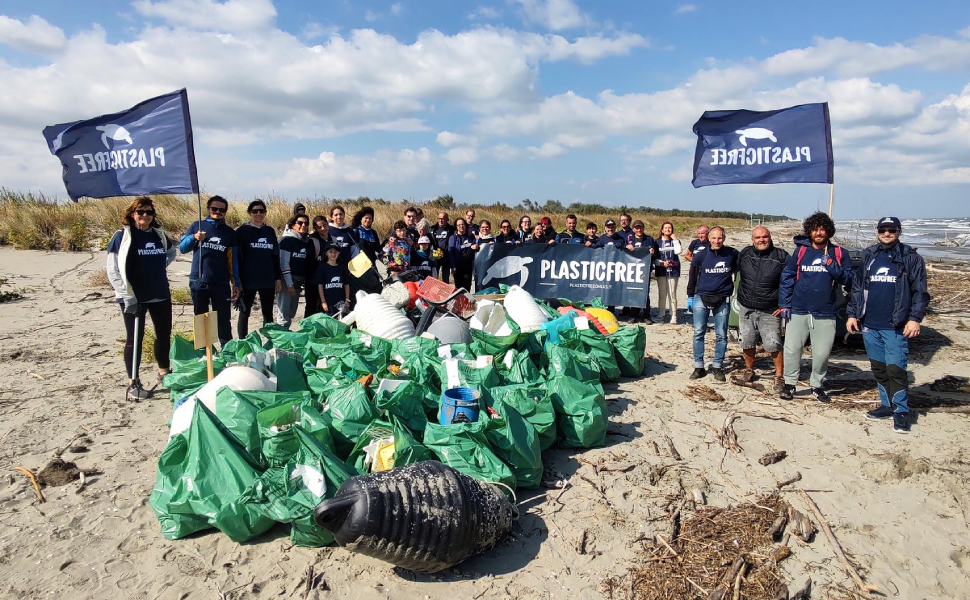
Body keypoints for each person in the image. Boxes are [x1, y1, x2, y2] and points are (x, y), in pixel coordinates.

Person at [847, 217, 929, 434]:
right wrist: (852, 314)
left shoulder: (911, 258)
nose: (886, 233)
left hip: (895, 325)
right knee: (879, 368)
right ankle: (886, 405)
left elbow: (920, 292)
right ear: (877, 232)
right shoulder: (870, 255)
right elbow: (858, 287)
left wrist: (915, 319)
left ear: (898, 232)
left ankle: (901, 411)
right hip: (870, 324)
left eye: (891, 230)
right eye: (883, 230)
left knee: (895, 368)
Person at [777, 212, 854, 402]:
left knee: (822, 352)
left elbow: (850, 279)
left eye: (822, 229)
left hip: (825, 312)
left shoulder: (839, 253)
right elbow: (787, 276)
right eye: (815, 229)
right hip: (799, 309)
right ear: (809, 231)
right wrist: (785, 303)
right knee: (792, 349)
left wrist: (831, 265)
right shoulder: (801, 251)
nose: (819, 233)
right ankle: (789, 384)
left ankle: (817, 385)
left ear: (828, 231)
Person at [107, 197, 176, 400]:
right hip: (134, 297)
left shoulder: (159, 235)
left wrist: (157, 267)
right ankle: (133, 383)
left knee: (163, 335)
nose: (145, 216)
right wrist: (127, 295)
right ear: (132, 214)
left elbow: (171, 252)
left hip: (160, 293)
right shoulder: (123, 236)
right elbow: (112, 270)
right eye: (140, 212)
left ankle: (164, 373)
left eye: (149, 212)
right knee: (135, 338)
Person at [179, 195, 239, 346]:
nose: (217, 212)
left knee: (223, 320)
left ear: (225, 211)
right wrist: (194, 237)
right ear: (208, 209)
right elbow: (182, 248)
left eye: (221, 210)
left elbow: (233, 260)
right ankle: (205, 352)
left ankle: (227, 351)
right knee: (201, 319)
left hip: (220, 282)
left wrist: (236, 282)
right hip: (199, 281)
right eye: (214, 209)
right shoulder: (197, 226)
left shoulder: (229, 233)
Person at [736, 226, 789, 391]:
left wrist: (786, 304)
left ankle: (779, 375)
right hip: (746, 307)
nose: (761, 240)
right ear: (752, 239)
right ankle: (749, 369)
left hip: (769, 309)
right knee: (746, 340)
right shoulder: (745, 253)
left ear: (770, 237)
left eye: (765, 237)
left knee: (773, 343)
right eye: (757, 237)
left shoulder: (781, 256)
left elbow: (791, 280)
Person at [689, 226, 739, 382]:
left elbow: (740, 270)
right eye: (714, 238)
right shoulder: (701, 255)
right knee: (699, 332)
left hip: (722, 298)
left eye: (720, 238)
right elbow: (692, 276)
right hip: (701, 297)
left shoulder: (732, 254)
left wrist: (733, 284)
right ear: (709, 239)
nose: (717, 241)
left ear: (724, 238)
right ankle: (699, 367)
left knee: (721, 335)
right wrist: (690, 296)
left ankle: (717, 366)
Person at [235, 199, 281, 337]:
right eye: (255, 211)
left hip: (267, 278)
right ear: (250, 213)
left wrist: (277, 278)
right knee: (245, 312)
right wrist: (237, 281)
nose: (258, 214)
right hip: (248, 278)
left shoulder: (269, 231)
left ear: (265, 213)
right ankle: (242, 342)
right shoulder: (242, 231)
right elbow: (236, 257)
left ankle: (270, 341)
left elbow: (275, 256)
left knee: (268, 313)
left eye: (261, 211)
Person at [277, 215, 314, 328]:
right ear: (293, 225)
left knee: (291, 312)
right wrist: (289, 284)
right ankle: (281, 340)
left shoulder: (305, 241)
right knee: (283, 313)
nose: (303, 225)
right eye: (300, 223)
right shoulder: (286, 241)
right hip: (286, 281)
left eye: (306, 223)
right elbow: (283, 264)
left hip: (298, 282)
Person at [624, 220, 657, 323]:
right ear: (633, 229)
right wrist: (626, 247)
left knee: (645, 293)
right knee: (634, 291)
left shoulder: (649, 239)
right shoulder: (629, 240)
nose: (639, 230)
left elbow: (656, 255)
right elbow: (622, 252)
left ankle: (647, 315)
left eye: (641, 228)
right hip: (633, 271)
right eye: (637, 228)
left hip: (645, 270)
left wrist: (652, 252)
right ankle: (634, 315)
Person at [313, 244, 352, 317]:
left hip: (340, 301)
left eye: (335, 252)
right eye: (331, 252)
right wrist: (323, 301)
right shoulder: (322, 268)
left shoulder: (342, 267)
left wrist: (347, 300)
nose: (333, 254)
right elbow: (320, 285)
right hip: (328, 302)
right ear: (326, 253)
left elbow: (346, 284)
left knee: (341, 319)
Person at [655, 221, 682, 324]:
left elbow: (678, 251)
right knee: (662, 294)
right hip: (661, 270)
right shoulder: (657, 242)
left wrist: (675, 239)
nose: (667, 229)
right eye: (665, 228)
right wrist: (661, 263)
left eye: (669, 228)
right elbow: (654, 259)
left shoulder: (675, 241)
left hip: (673, 271)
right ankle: (661, 314)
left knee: (672, 293)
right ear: (662, 230)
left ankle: (673, 315)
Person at [305, 215, 331, 316]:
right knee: (312, 307)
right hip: (313, 281)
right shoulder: (312, 241)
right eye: (319, 227)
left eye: (325, 225)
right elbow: (309, 263)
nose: (323, 228)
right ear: (315, 228)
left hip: (328, 280)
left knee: (326, 306)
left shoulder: (332, 239)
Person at [684, 225, 710, 315]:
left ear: (707, 233)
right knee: (691, 284)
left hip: (706, 270)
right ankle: (690, 305)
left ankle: (704, 305)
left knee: (703, 286)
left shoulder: (711, 244)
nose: (700, 236)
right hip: (694, 268)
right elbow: (687, 255)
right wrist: (696, 260)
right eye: (699, 233)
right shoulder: (694, 243)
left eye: (702, 233)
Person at [448, 218, 479, 291]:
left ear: (465, 225)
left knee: (467, 289)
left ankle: (467, 302)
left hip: (468, 267)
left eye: (462, 224)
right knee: (458, 290)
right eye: (458, 225)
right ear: (456, 226)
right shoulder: (453, 238)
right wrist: (452, 266)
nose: (461, 226)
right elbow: (451, 252)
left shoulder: (471, 237)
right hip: (457, 267)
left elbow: (475, 248)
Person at [431, 212, 455, 283]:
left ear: (447, 219)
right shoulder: (432, 229)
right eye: (439, 218)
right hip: (435, 257)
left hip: (446, 256)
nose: (441, 221)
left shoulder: (452, 229)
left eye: (443, 219)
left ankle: (446, 293)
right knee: (434, 278)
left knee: (445, 279)